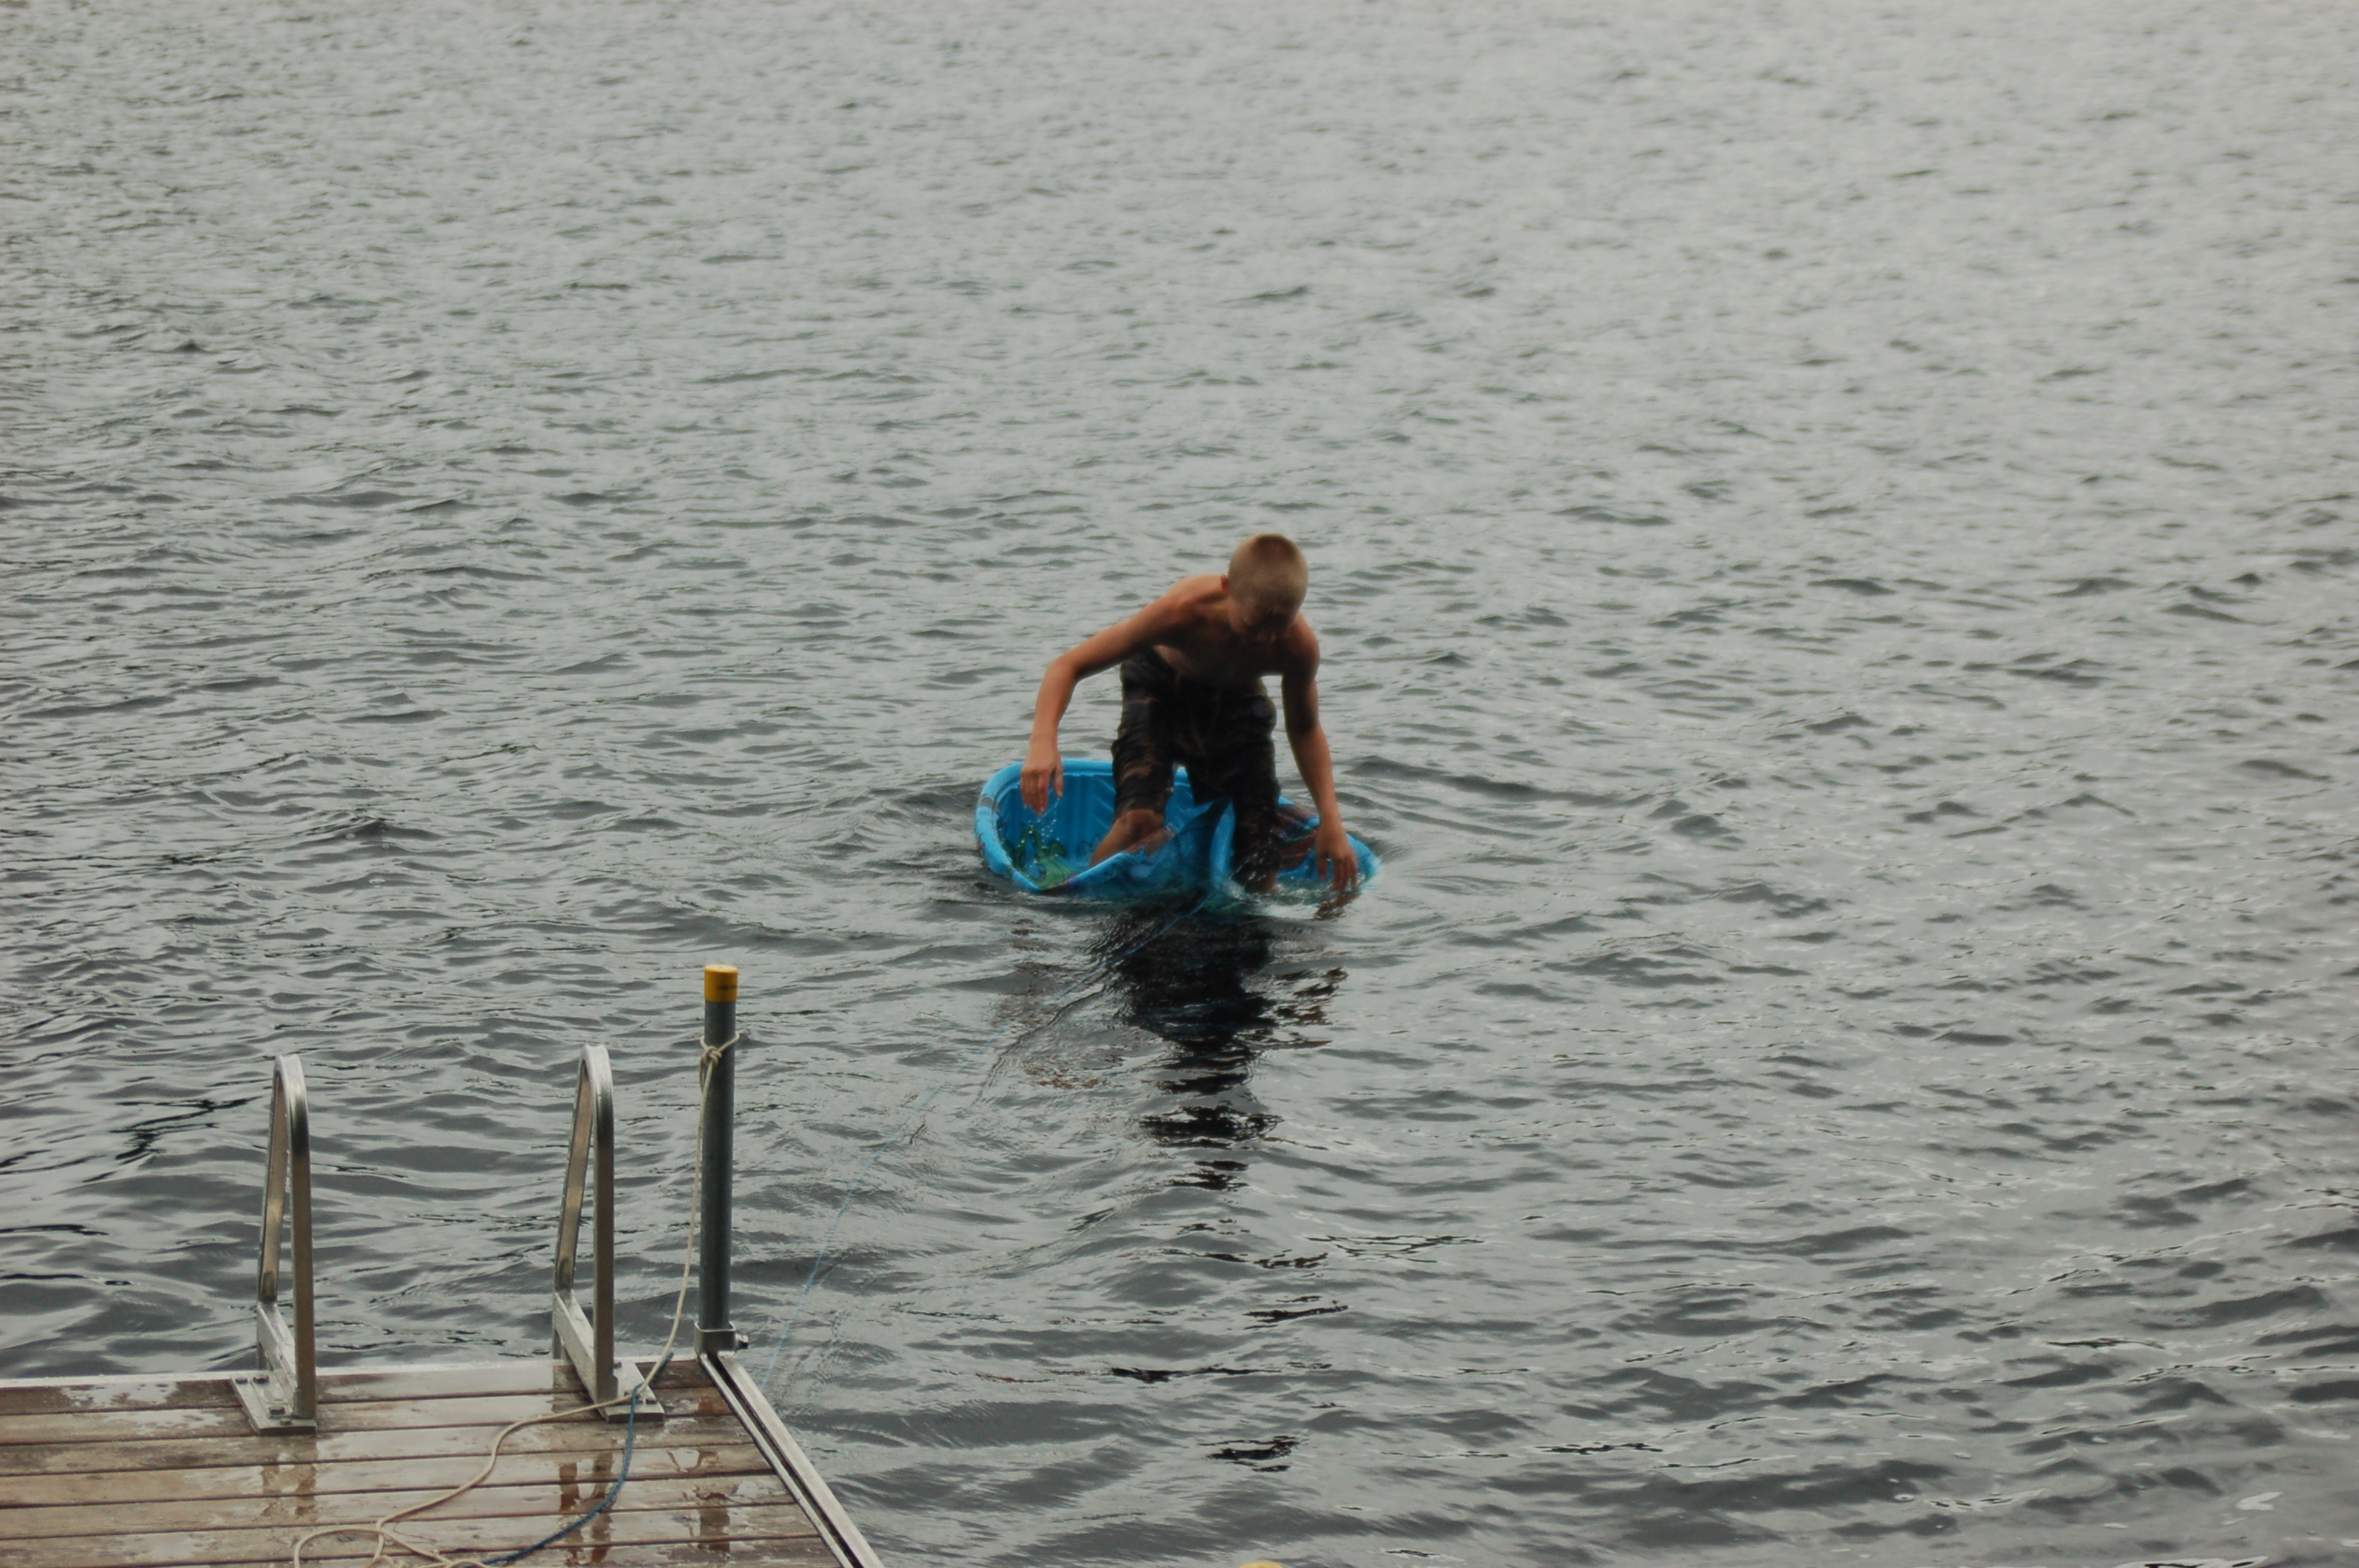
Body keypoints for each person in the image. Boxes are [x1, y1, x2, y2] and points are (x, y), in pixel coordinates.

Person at [1021, 533, 1358, 893]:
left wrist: (1331, 822)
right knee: (1140, 821)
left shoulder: (1298, 648)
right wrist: (1043, 741)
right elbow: (1068, 665)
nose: (1264, 641)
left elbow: (1305, 728)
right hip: (1160, 687)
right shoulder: (1182, 612)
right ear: (1228, 589)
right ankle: (1080, 897)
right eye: (1253, 626)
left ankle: (1244, 919)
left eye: (1279, 629)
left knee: (1260, 853)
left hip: (1235, 700)